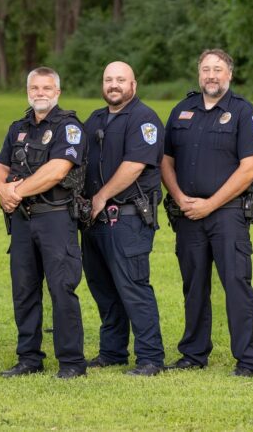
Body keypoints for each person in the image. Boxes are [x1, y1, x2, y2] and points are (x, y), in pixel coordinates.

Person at [162, 49, 253, 377]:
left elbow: (250, 168)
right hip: (188, 214)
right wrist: (179, 197)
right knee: (193, 285)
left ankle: (249, 361)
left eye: (218, 69)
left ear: (229, 75)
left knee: (236, 283)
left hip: (228, 215)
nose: (211, 75)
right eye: (206, 69)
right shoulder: (182, 110)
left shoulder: (243, 113)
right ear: (199, 74)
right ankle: (193, 354)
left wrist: (211, 203)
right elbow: (166, 160)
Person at [0, 67, 88, 379]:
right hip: (21, 221)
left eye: (47, 88)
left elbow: (57, 170)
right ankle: (28, 359)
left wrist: (14, 191)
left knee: (61, 289)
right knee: (24, 291)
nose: (40, 93)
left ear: (57, 92)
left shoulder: (68, 127)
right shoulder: (17, 127)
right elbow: (0, 167)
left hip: (56, 218)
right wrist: (2, 191)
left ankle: (72, 362)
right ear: (28, 91)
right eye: (34, 87)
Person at [82, 61, 165, 376]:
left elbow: (134, 166)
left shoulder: (144, 119)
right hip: (94, 221)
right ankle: (113, 352)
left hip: (127, 219)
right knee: (103, 287)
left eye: (120, 79)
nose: (113, 85)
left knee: (133, 286)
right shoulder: (96, 119)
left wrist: (101, 196)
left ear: (134, 85)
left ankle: (150, 358)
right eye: (108, 79)